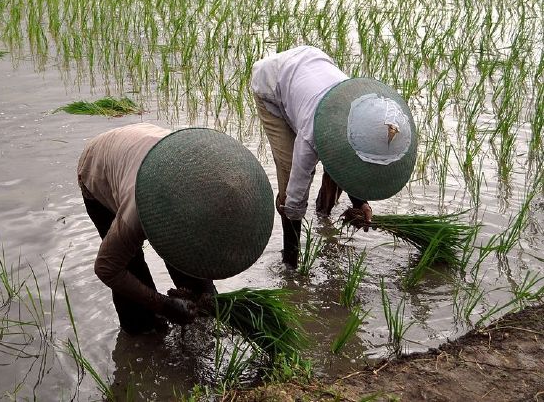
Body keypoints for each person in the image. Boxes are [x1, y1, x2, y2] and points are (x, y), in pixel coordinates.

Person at [77, 122, 274, 334]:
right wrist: (163, 305)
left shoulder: (212, 179)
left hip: (146, 146)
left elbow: (200, 252)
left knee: (197, 282)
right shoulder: (137, 207)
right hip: (99, 167)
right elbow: (108, 269)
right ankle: (143, 333)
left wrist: (207, 296)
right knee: (134, 282)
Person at [251, 45, 417, 268]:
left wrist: (361, 203)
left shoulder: (363, 113)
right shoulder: (311, 137)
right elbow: (295, 200)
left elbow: (353, 160)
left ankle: (323, 211)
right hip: (271, 84)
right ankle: (288, 260)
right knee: (290, 174)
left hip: (314, 63)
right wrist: (293, 271)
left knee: (338, 162)